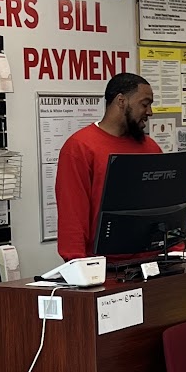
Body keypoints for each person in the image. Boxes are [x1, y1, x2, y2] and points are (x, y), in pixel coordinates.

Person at [54, 73, 153, 260]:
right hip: (104, 266)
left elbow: (166, 206)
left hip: (154, 264)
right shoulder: (80, 147)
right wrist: (78, 265)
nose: (149, 112)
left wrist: (176, 250)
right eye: (145, 104)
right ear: (121, 101)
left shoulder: (150, 148)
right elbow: (72, 215)